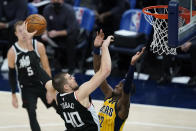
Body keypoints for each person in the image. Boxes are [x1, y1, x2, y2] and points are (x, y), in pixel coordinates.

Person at [45, 34, 113, 131]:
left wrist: (51, 89)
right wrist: (105, 47)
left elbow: (49, 84)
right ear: (66, 87)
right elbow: (105, 71)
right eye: (70, 78)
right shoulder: (80, 94)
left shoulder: (58, 98)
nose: (73, 77)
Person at [7, 21, 57, 131]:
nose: (23, 33)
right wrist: (13, 95)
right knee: (31, 114)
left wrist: (50, 89)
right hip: (27, 87)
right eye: (20, 31)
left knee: (59, 107)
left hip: (42, 84)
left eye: (25, 30)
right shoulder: (12, 51)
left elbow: (46, 67)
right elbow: (11, 75)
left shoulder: (38, 46)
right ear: (16, 34)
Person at [93, 30, 145, 130]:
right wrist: (96, 49)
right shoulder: (109, 95)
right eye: (118, 84)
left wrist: (132, 65)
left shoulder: (123, 107)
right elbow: (97, 72)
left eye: (120, 86)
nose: (116, 86)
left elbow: (126, 89)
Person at [42, 0, 80, 73]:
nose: (55, 1)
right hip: (52, 35)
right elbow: (45, 25)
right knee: (38, 36)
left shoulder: (69, 10)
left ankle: (71, 68)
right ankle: (42, 66)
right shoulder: (47, 9)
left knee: (71, 38)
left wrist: (57, 33)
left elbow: (71, 29)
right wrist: (45, 33)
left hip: (67, 35)